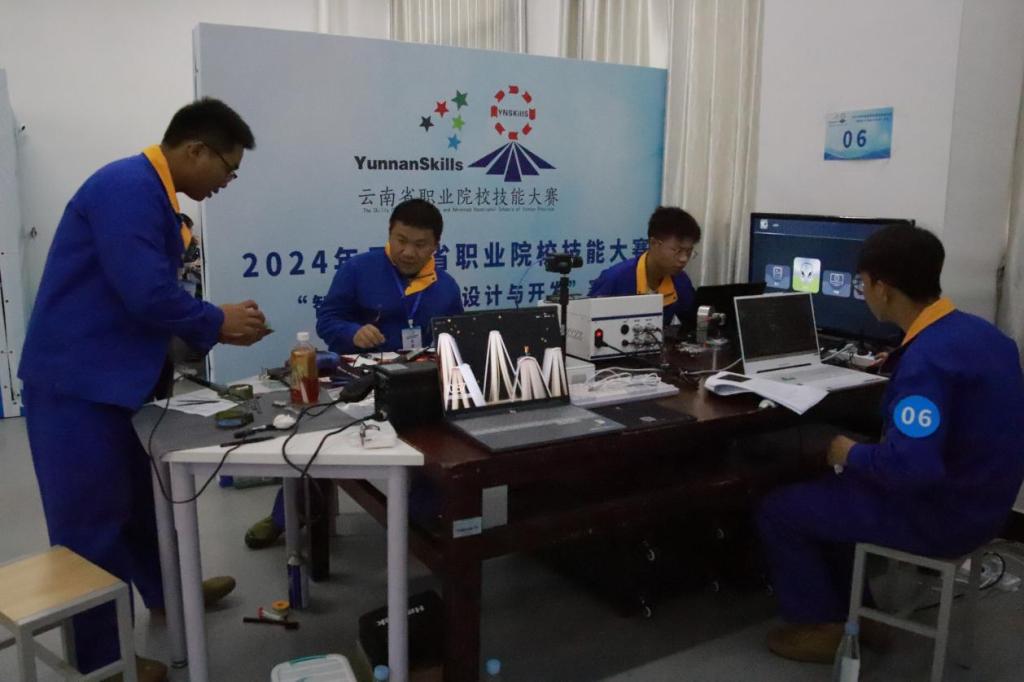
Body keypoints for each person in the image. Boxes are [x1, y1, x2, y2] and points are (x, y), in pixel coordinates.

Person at [19, 98, 271, 681]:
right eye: (228, 169)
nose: (227, 183)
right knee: (89, 528)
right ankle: (105, 661)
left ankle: (165, 593)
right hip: (77, 385)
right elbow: (145, 293)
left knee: (139, 503)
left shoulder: (153, 195)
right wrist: (217, 321)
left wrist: (207, 324)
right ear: (196, 150)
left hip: (119, 384)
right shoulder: (127, 187)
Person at [757, 223, 1024, 663]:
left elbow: (912, 469)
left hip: (944, 516)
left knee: (781, 509)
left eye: (862, 283)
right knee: (836, 493)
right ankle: (860, 615)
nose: (863, 292)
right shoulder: (984, 336)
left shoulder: (926, 361)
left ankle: (819, 627)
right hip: (988, 504)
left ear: (882, 288)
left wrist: (850, 452)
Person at [244, 198, 463, 549]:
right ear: (389, 233)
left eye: (420, 244)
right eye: (400, 240)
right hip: (356, 381)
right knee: (315, 437)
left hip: (414, 385)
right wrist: (352, 332)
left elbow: (454, 339)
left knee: (442, 440)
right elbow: (328, 319)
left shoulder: (446, 287)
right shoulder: (358, 269)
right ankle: (287, 515)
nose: (408, 252)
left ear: (436, 245)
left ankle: (418, 516)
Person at [588, 206, 700, 326]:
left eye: (689, 252)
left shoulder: (680, 280)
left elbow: (693, 323)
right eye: (678, 251)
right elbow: (587, 325)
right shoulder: (615, 279)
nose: (684, 259)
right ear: (653, 243)